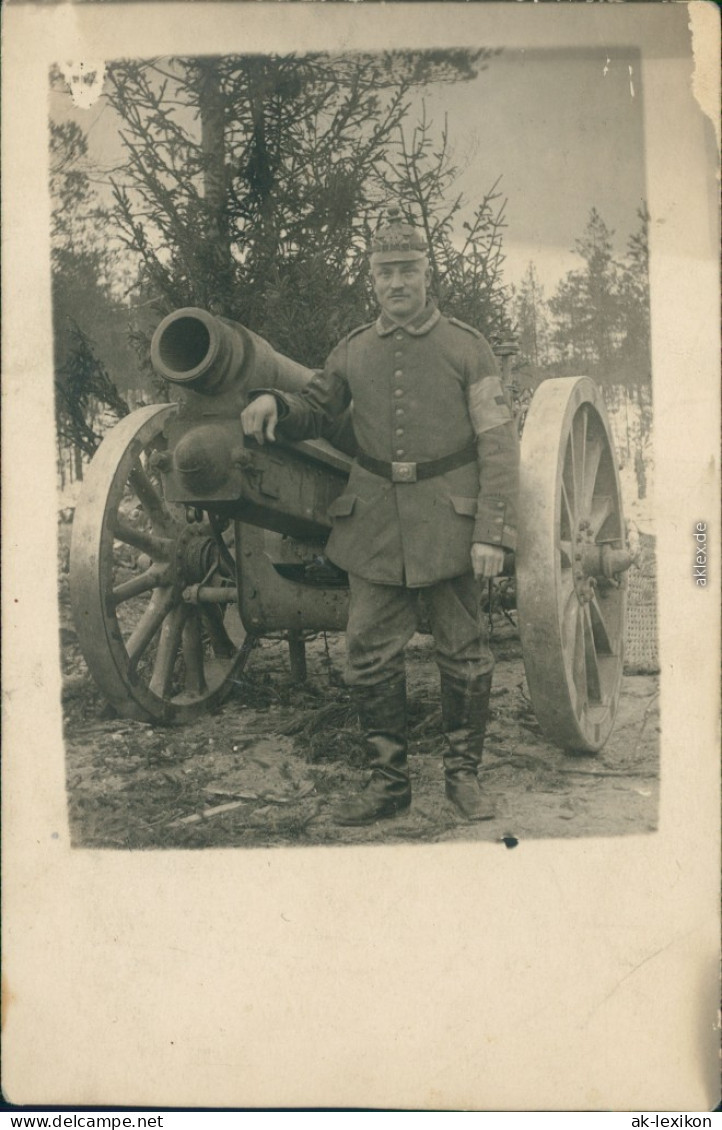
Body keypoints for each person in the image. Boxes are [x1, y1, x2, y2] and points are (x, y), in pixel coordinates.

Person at [241, 206, 519, 826]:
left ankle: (463, 780)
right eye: (385, 272)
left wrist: (492, 533)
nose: (397, 283)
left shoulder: (467, 350)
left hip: (449, 526)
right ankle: (388, 785)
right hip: (371, 528)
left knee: (465, 656)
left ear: (427, 275)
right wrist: (274, 402)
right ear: (371, 279)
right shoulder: (353, 352)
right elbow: (316, 408)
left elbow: (498, 445)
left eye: (408, 271)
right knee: (366, 655)